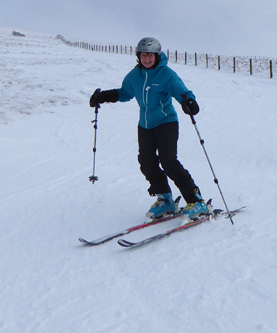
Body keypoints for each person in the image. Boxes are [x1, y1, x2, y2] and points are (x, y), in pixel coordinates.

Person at [90, 37, 210, 220]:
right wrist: (103, 96)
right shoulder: (134, 76)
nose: (146, 59)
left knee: (169, 162)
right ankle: (165, 199)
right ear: (139, 56)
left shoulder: (166, 74)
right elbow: (124, 93)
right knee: (146, 162)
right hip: (145, 125)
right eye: (143, 55)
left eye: (150, 55)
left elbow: (182, 92)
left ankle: (196, 200)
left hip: (166, 122)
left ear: (157, 56)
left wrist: (190, 102)